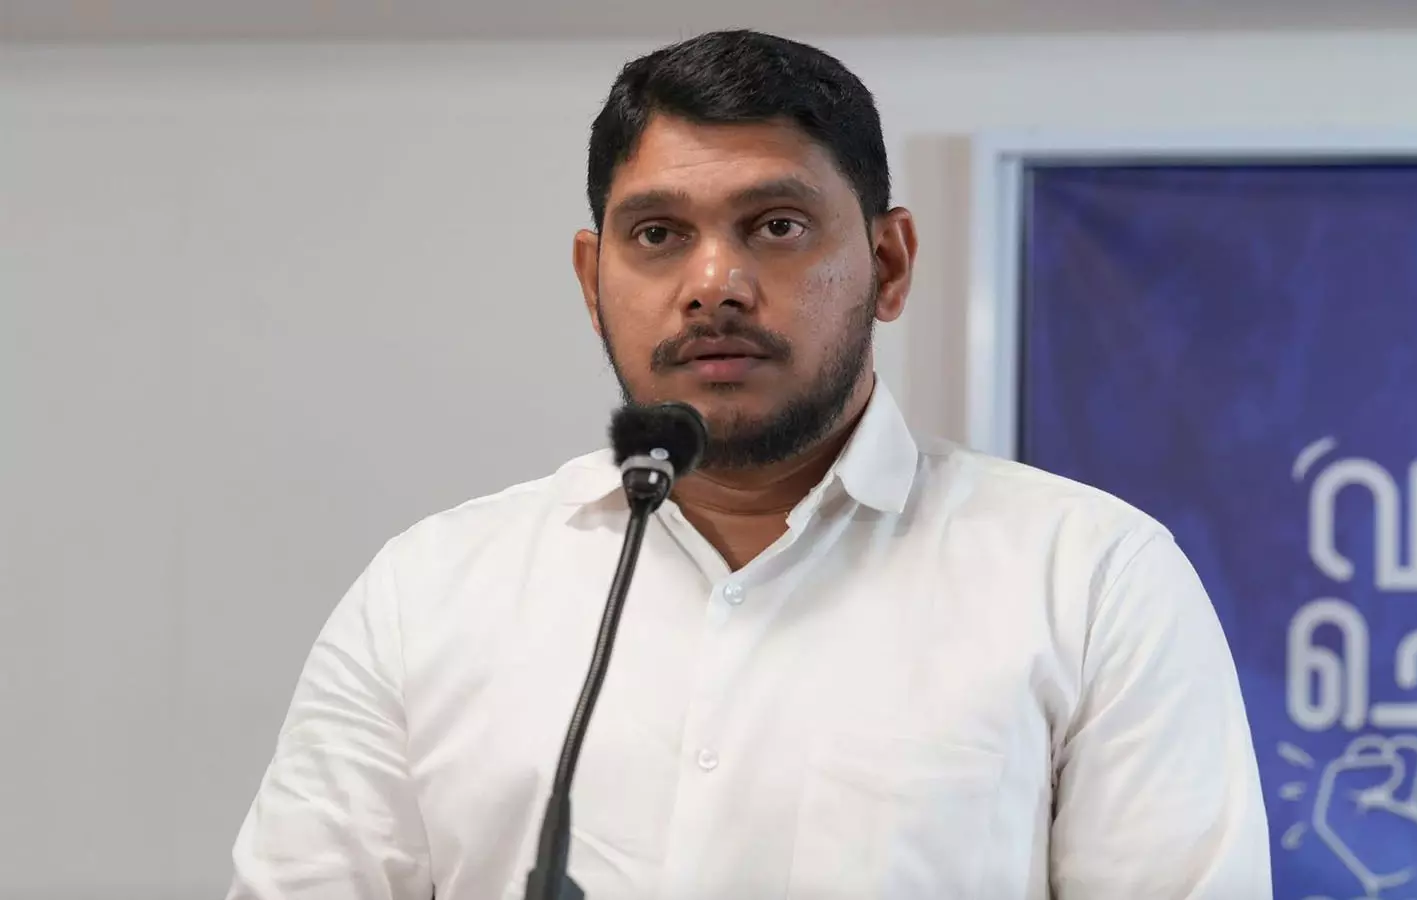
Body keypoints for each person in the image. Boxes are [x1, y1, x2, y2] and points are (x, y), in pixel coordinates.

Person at [227, 29, 1271, 900]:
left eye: (776, 226)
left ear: (889, 263)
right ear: (593, 280)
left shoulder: (1088, 579)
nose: (714, 284)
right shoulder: (429, 593)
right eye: (658, 234)